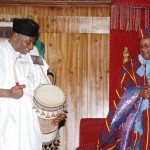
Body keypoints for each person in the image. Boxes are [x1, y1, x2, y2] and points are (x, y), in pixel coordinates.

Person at [0, 18, 66, 150]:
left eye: (33, 42)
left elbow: (45, 88)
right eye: (28, 42)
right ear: (16, 36)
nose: (31, 46)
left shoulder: (34, 54)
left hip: (30, 118)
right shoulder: (1, 52)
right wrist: (8, 93)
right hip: (6, 116)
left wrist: (55, 112)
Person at [97, 28, 150, 150]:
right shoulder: (130, 67)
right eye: (141, 46)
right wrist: (138, 92)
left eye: (147, 46)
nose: (143, 49)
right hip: (136, 117)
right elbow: (120, 92)